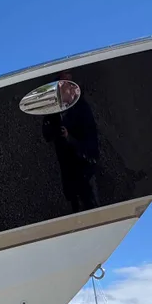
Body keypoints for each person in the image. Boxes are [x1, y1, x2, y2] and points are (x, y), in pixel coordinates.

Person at [42, 73, 101, 212]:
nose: (64, 87)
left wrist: (70, 139)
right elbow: (46, 134)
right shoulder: (54, 111)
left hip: (85, 172)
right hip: (67, 171)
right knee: (74, 204)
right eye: (60, 84)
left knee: (90, 207)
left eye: (68, 83)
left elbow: (91, 147)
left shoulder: (82, 109)